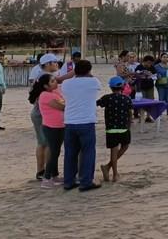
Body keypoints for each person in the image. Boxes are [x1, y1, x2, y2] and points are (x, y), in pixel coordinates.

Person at [61, 60, 102, 191]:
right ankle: (86, 181)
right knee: (88, 152)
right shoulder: (93, 82)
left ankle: (68, 181)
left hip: (70, 121)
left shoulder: (67, 84)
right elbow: (93, 80)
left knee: (70, 153)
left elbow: (66, 80)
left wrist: (73, 73)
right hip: (86, 121)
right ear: (89, 70)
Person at [32, 74, 65, 188]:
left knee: (56, 151)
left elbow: (63, 102)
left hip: (60, 125)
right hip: (51, 127)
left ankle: (54, 175)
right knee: (53, 152)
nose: (55, 82)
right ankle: (47, 178)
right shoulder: (45, 95)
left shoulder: (54, 93)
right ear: (45, 85)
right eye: (52, 81)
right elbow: (62, 106)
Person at [97, 76, 133, 183]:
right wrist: (129, 126)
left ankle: (113, 171)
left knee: (113, 150)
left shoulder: (106, 98)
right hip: (123, 128)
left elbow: (97, 103)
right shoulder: (126, 98)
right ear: (122, 86)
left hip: (111, 129)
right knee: (125, 146)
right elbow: (130, 113)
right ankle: (111, 170)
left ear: (111, 87)